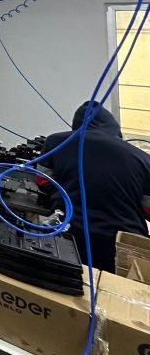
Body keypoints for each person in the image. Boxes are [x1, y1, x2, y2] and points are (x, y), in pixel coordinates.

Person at [39, 102, 150, 272]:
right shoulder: (143, 159)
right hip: (122, 244)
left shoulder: (56, 142)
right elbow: (148, 209)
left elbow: (43, 182)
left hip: (68, 233)